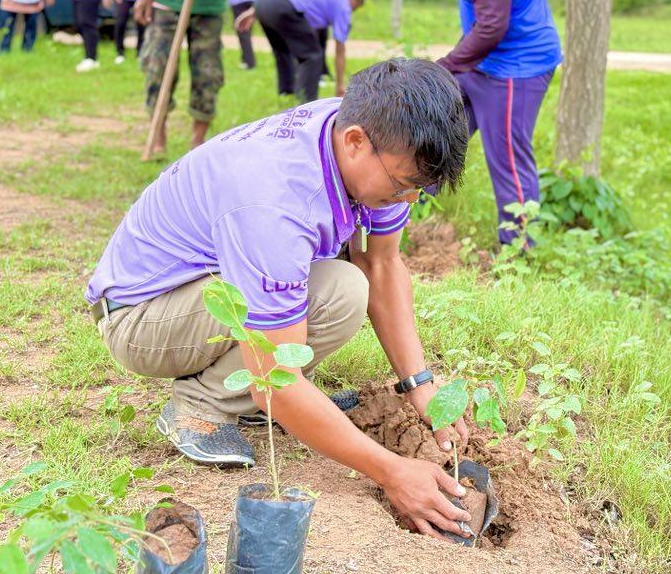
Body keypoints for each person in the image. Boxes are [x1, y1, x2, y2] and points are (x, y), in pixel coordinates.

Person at [86, 58, 475, 540]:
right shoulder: (275, 204)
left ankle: (245, 396)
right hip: (143, 317)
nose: (409, 200)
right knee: (320, 314)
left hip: (202, 287)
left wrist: (420, 386)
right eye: (402, 185)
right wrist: (392, 471)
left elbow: (381, 263)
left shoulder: (363, 133)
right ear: (356, 142)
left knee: (346, 289)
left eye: (419, 188)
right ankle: (202, 402)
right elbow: (279, 380)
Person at [404, 0, 561, 246]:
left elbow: (491, 28)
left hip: (515, 68)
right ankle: (401, 216)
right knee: (435, 130)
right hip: (482, 61)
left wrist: (443, 67)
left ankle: (519, 249)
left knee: (507, 160)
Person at [135, 0, 253, 161]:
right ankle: (158, 135)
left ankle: (197, 141)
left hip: (208, 3)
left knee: (207, 74)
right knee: (157, 67)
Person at [243, 0, 363, 102]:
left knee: (282, 50)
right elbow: (340, 48)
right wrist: (340, 84)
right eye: (355, 8)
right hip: (284, 6)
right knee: (313, 56)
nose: (352, 11)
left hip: (262, 0)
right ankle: (306, 103)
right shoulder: (343, 4)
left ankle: (286, 94)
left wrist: (254, 10)